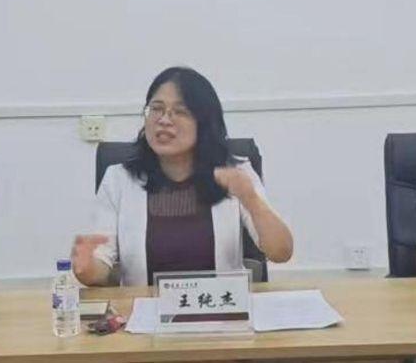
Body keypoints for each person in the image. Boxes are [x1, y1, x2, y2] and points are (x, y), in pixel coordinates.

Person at [71, 67, 293, 286]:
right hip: (144, 307)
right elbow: (99, 267)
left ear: (204, 123)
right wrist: (86, 267)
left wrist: (251, 200)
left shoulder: (236, 172)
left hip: (220, 307)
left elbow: (281, 252)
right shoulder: (118, 179)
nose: (164, 120)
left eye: (180, 111)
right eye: (156, 109)